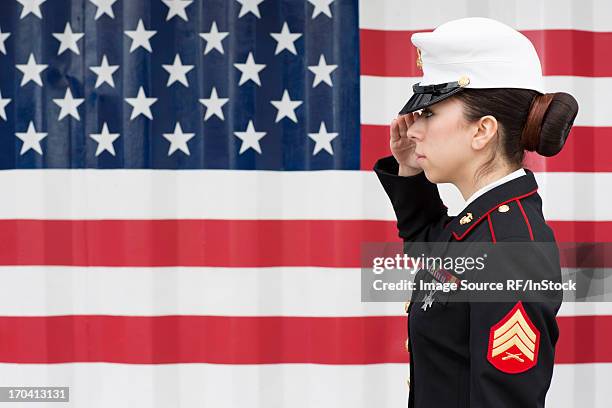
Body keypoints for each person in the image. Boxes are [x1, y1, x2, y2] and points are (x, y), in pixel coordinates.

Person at [373, 17, 579, 407]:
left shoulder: (509, 251)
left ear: (482, 131)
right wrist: (410, 174)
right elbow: (434, 255)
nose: (412, 130)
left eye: (429, 113)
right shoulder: (483, 225)